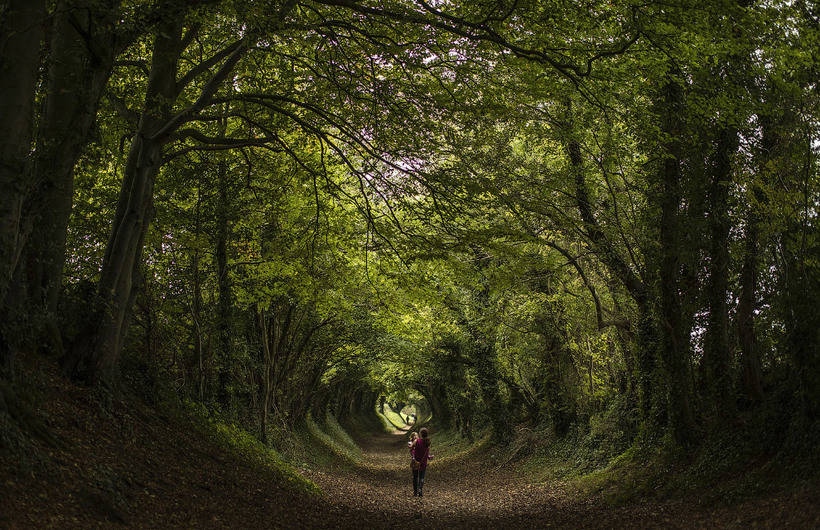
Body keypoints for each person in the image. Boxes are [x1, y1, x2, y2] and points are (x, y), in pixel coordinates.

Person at [411, 427, 433, 497]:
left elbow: (411, 447)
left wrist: (411, 446)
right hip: (423, 462)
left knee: (415, 477)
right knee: (422, 477)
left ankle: (415, 492)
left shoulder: (417, 441)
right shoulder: (428, 442)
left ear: (420, 434)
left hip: (416, 461)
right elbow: (427, 453)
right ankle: (420, 490)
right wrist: (429, 457)